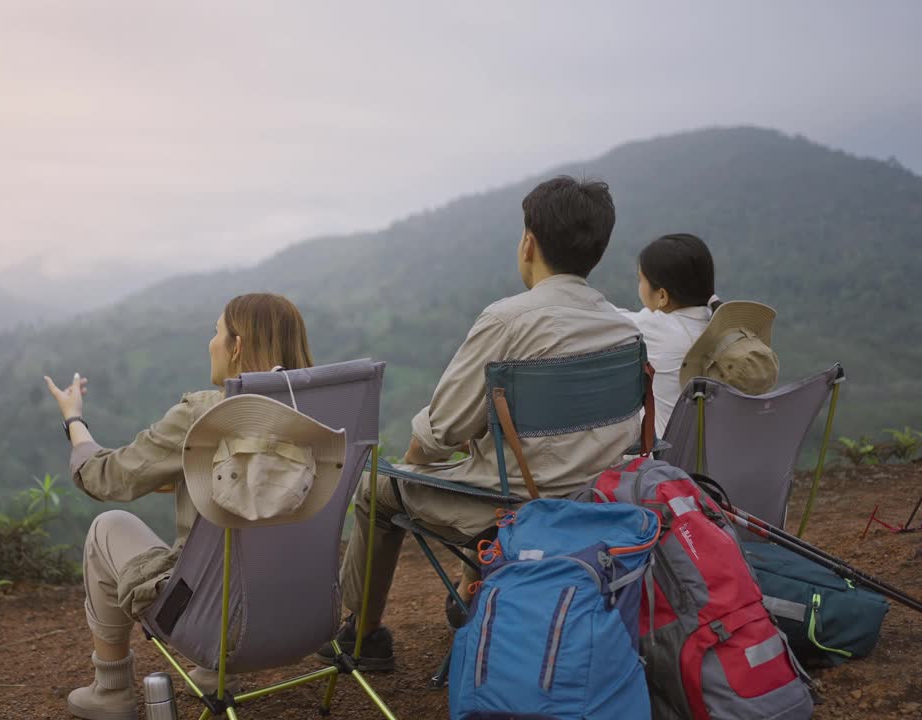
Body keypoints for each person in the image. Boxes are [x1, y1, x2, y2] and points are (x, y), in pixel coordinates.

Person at [318, 176, 641, 672]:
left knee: (374, 490)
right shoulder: (623, 327)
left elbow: (440, 429)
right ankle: (476, 591)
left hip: (517, 507)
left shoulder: (509, 319)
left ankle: (363, 636)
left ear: (528, 243)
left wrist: (410, 469)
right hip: (601, 500)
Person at [45, 293, 314, 720]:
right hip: (307, 612)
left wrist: (73, 419)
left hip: (218, 625)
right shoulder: (317, 414)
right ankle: (210, 674)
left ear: (237, 345)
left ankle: (111, 691)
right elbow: (256, 494)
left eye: (216, 331)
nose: (211, 342)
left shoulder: (206, 414)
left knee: (107, 526)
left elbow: (105, 477)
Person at [608, 233, 720, 437]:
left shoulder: (657, 328)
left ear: (661, 296)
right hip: (713, 454)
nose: (639, 286)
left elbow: (598, 315)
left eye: (641, 279)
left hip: (667, 460)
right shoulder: (721, 324)